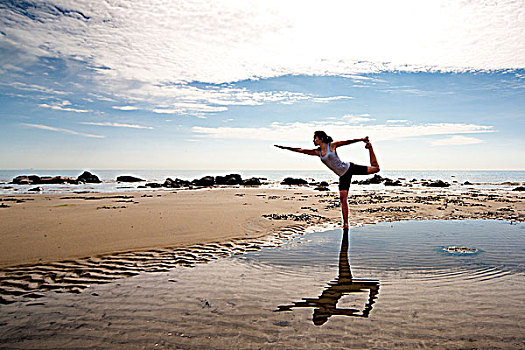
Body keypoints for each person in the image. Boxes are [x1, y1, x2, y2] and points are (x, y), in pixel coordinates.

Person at [274, 130, 380, 228]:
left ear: (321, 138)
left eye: (315, 138)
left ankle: (370, 148)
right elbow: (302, 150)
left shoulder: (332, 146)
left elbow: (347, 142)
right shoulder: (318, 152)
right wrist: (286, 148)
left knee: (376, 169)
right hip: (343, 176)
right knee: (343, 199)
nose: (313, 140)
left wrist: (361, 140)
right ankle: (346, 223)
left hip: (349, 168)